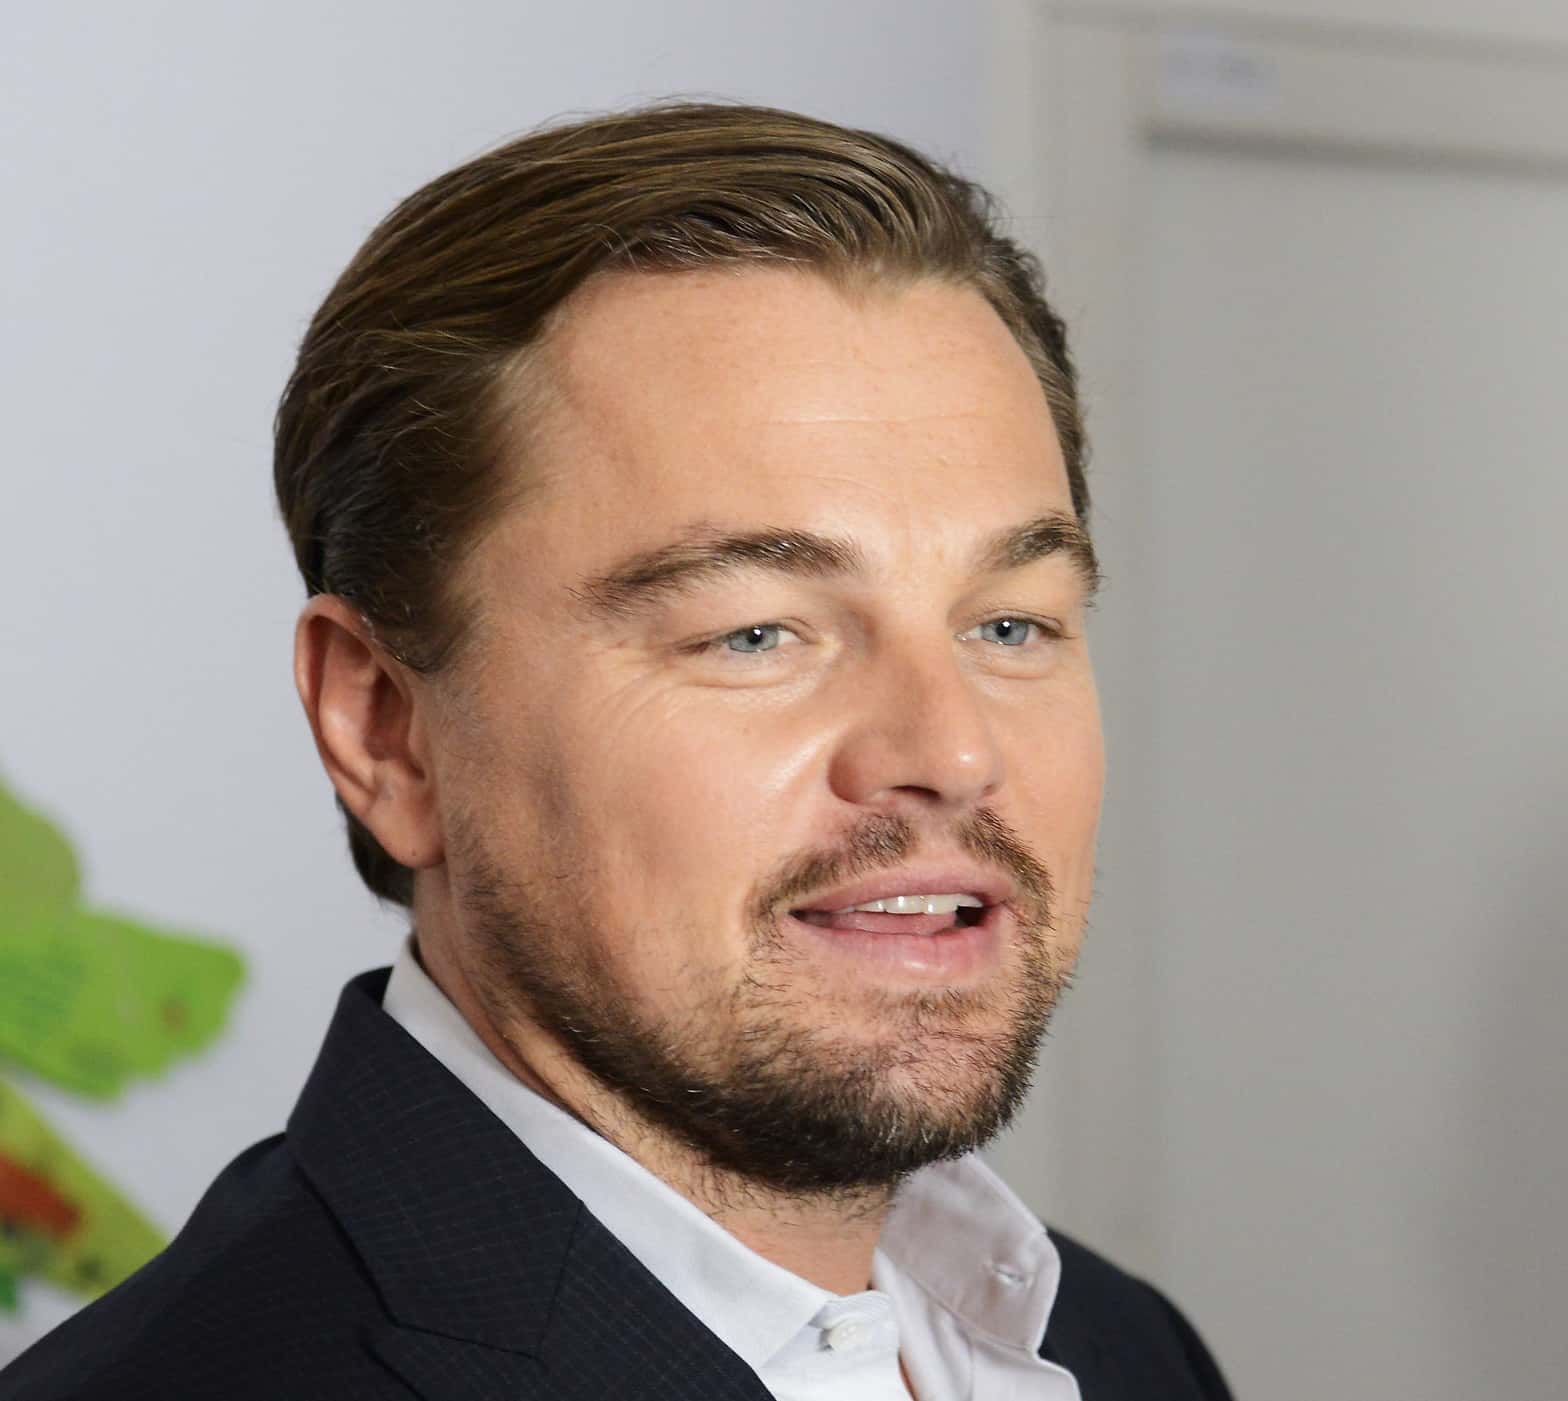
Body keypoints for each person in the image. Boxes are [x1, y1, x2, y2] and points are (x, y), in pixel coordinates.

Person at [0, 102, 1232, 1400]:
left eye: (1010, 624)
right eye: (756, 633)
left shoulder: (1119, 1348)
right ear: (384, 729)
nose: (954, 750)